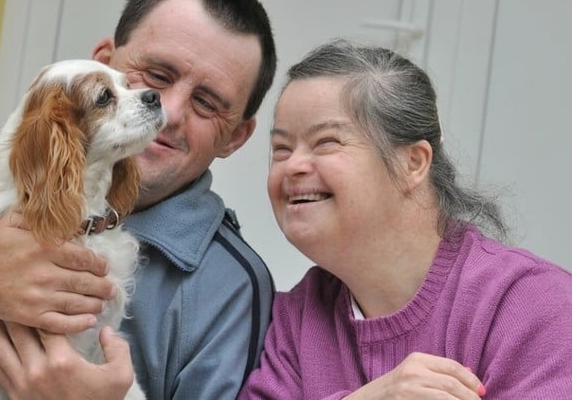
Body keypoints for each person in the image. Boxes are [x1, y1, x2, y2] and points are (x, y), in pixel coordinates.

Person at [0, 0, 276, 399]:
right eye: (156, 76)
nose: (169, 112)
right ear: (101, 63)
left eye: (206, 103)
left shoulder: (232, 288)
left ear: (235, 137)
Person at [238, 39, 572, 399]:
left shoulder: (534, 304)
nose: (293, 165)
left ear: (412, 163)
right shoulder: (300, 315)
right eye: (281, 149)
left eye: (326, 142)